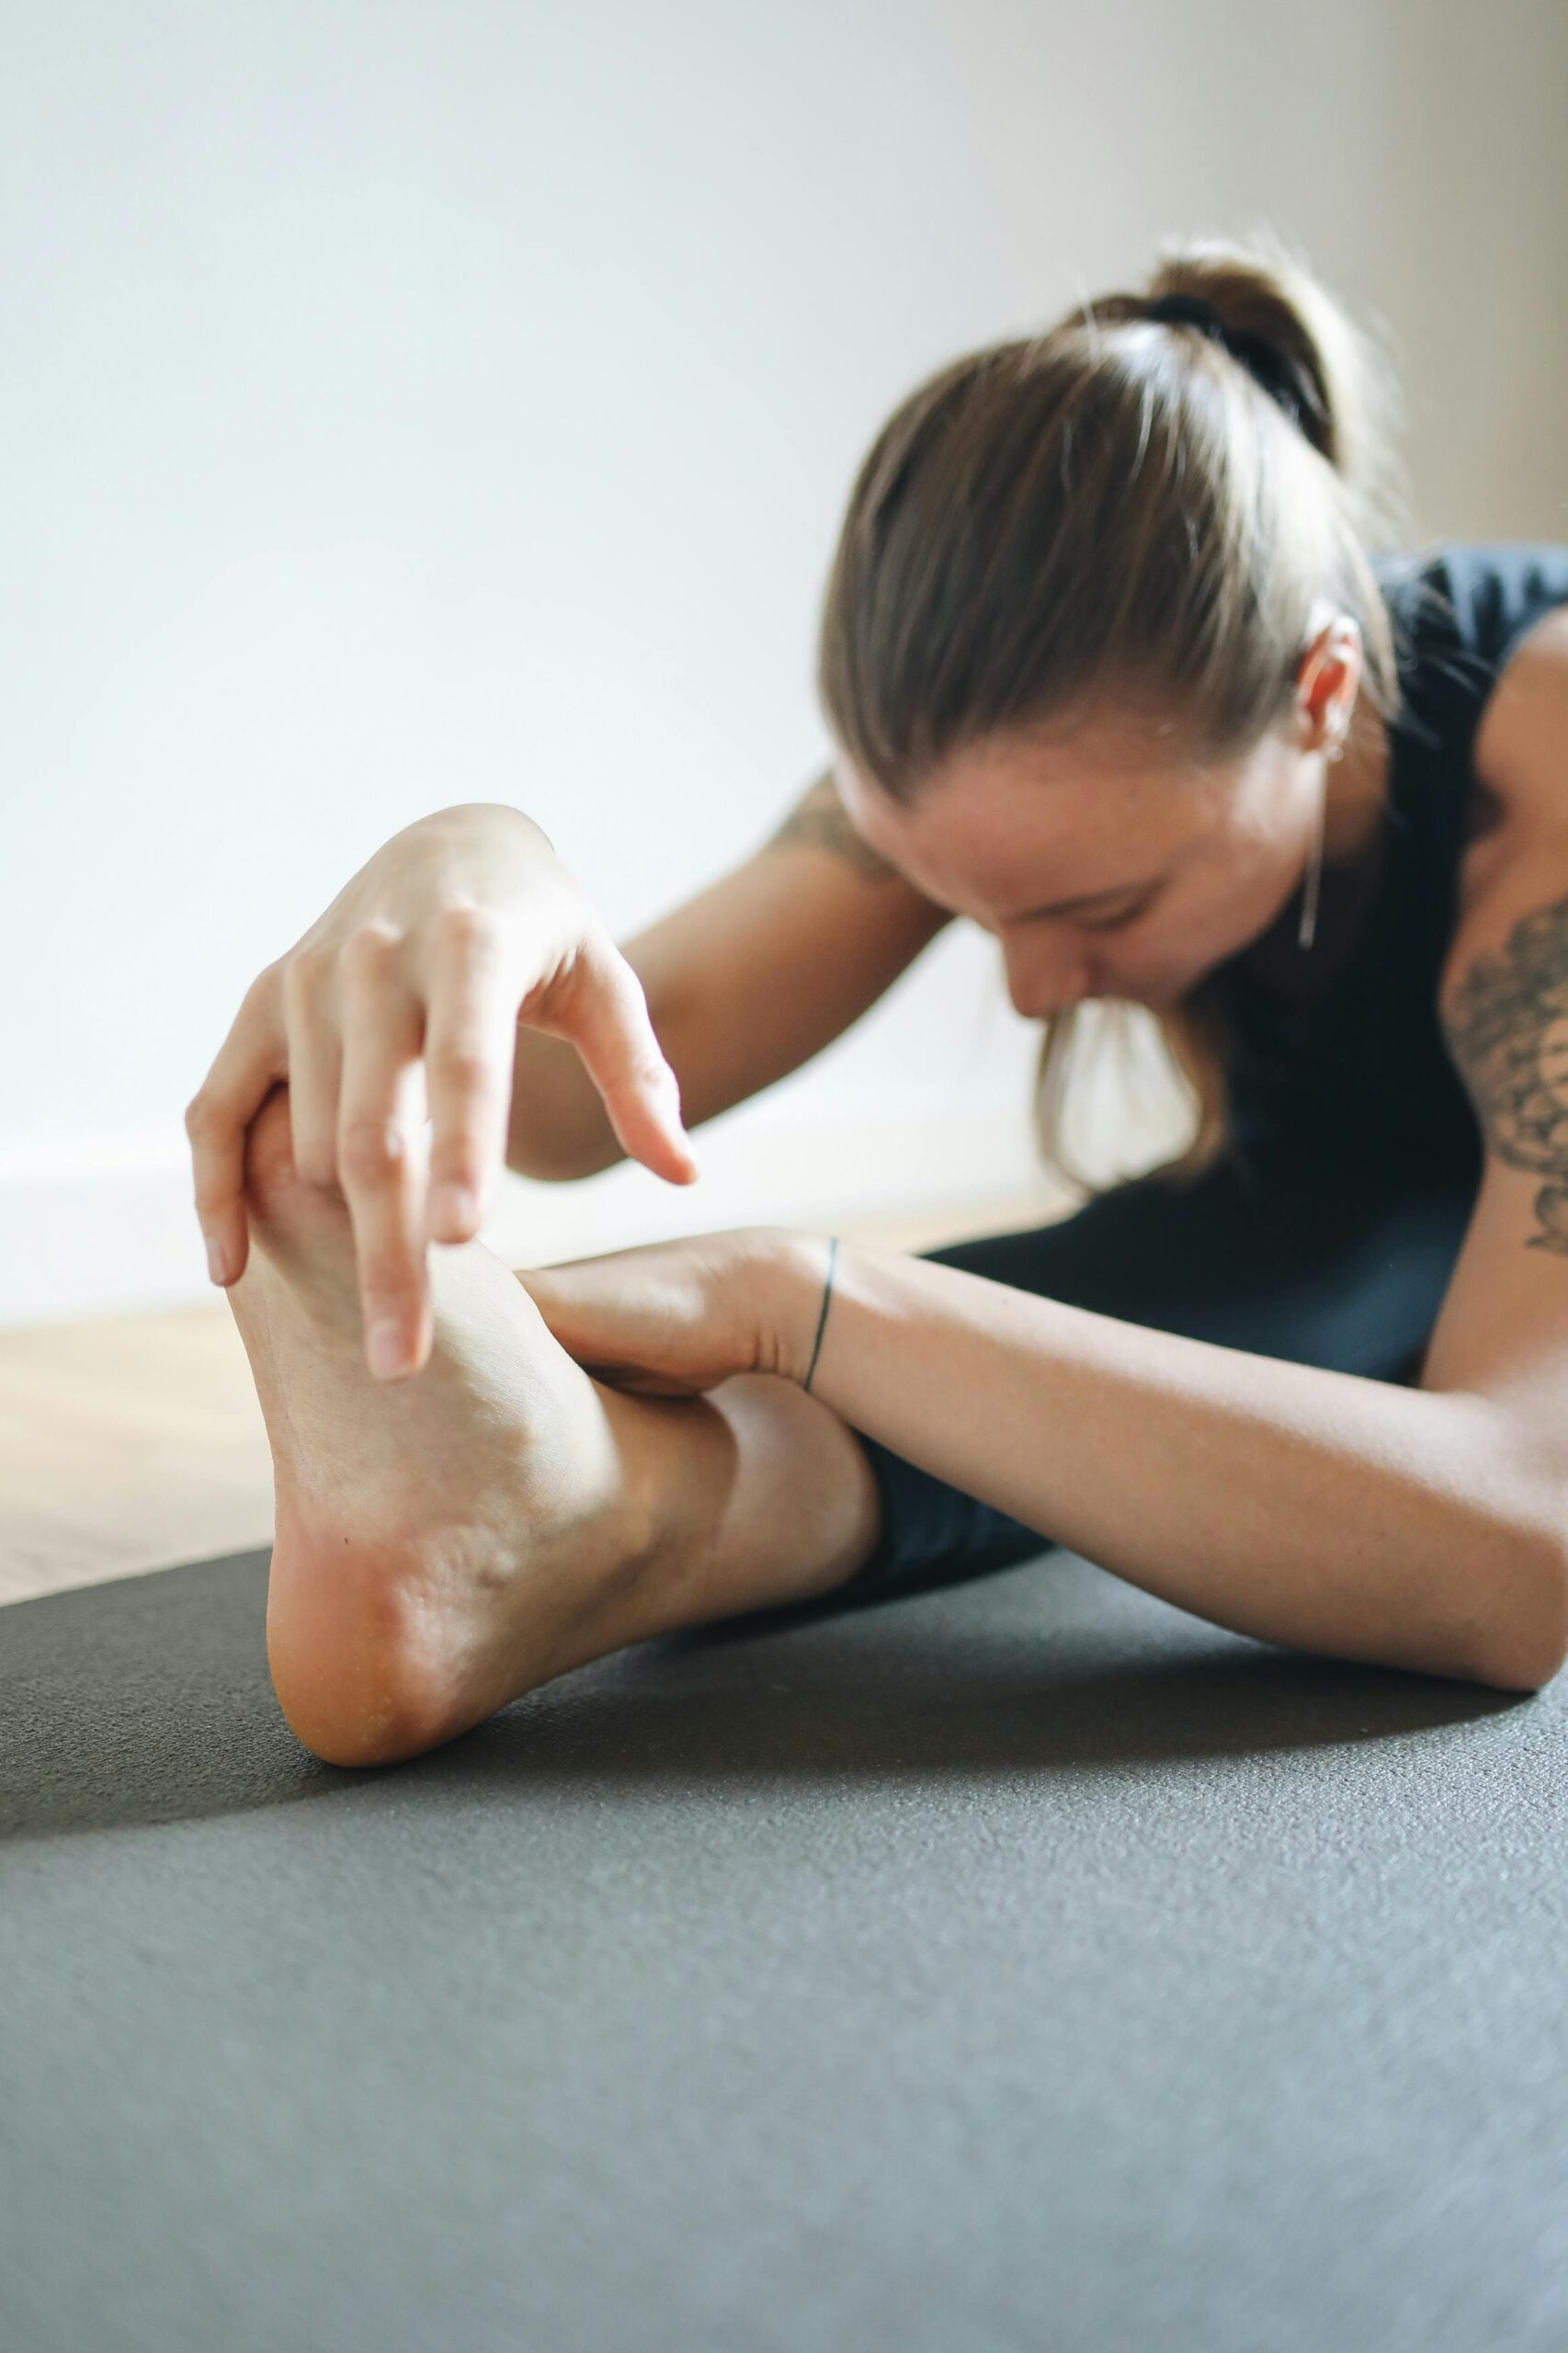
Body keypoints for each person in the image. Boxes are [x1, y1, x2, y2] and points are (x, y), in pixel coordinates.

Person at [186, 239, 1568, 1768]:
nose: (1034, 992)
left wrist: (806, 1303)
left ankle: (581, 1517)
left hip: (1472, 1248)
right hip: (1337, 1204)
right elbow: (573, 1104)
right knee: (1137, 1304)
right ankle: (554, 1517)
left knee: (1250, 1301)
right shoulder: (1033, 752)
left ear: (1315, 699)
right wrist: (477, 864)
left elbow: (1516, 1552)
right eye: (969, 906)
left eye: (1101, 911)